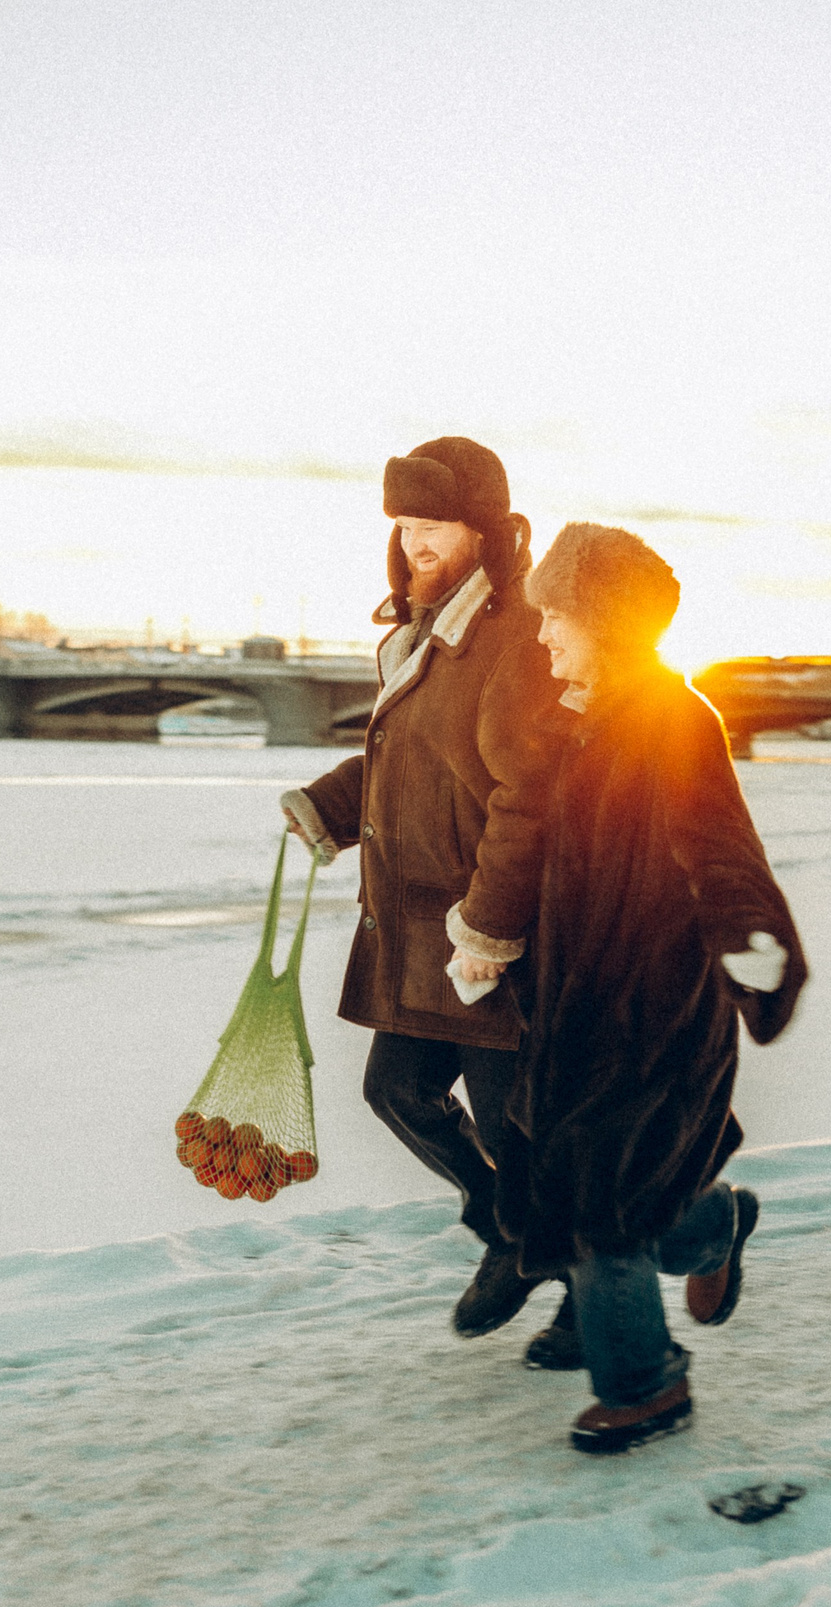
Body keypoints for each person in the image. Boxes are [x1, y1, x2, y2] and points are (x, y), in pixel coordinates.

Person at [507, 523, 806, 1453]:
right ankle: (716, 1222)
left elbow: (719, 849)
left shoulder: (677, 720)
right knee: (624, 1193)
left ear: (603, 621)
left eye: (557, 616)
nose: (545, 635)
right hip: (577, 1007)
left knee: (608, 1206)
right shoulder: (575, 727)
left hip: (658, 1011)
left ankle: (646, 1387)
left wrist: (753, 942)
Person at [281, 437, 569, 1339]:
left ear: (483, 529)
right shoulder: (422, 631)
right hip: (417, 926)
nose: (415, 545)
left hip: (486, 933)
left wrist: (488, 930)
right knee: (397, 1091)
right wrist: (330, 805)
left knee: (531, 1143)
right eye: (404, 527)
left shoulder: (513, 634)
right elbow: (411, 755)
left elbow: (530, 795)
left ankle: (614, 1311)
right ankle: (511, 1234)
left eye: (433, 527)